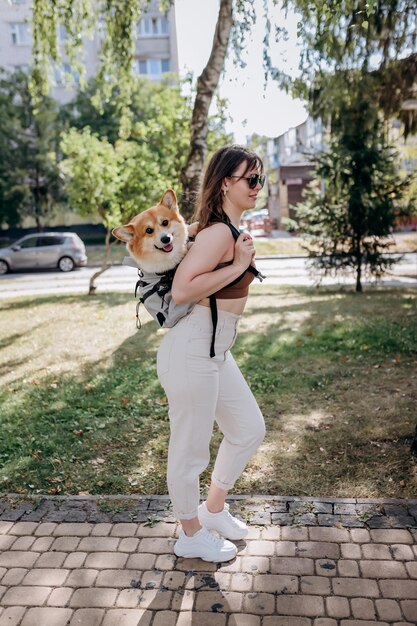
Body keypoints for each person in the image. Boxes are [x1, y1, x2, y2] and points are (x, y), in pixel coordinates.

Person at [156, 145, 266, 562]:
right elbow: (183, 289)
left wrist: (238, 261)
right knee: (190, 449)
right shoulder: (220, 233)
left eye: (260, 180)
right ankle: (190, 533)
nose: (257, 187)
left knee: (248, 429)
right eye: (250, 180)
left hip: (216, 348)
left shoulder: (226, 231)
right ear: (226, 183)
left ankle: (213, 510)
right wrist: (238, 266)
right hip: (192, 350)